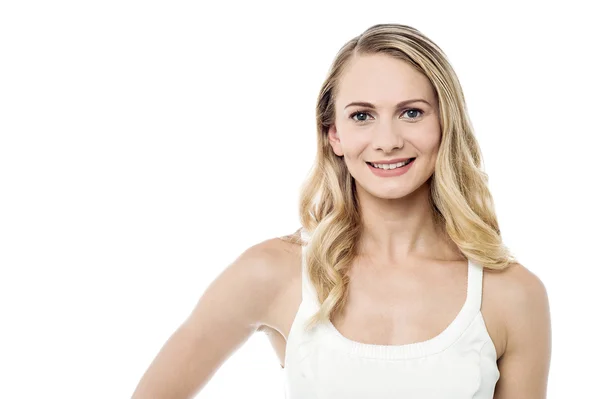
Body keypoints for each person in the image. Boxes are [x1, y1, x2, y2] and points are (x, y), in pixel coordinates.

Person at [131, 23, 551, 398]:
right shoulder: (272, 273)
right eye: (362, 115)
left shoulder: (512, 295)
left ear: (445, 123)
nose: (387, 141)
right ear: (334, 134)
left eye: (411, 113)